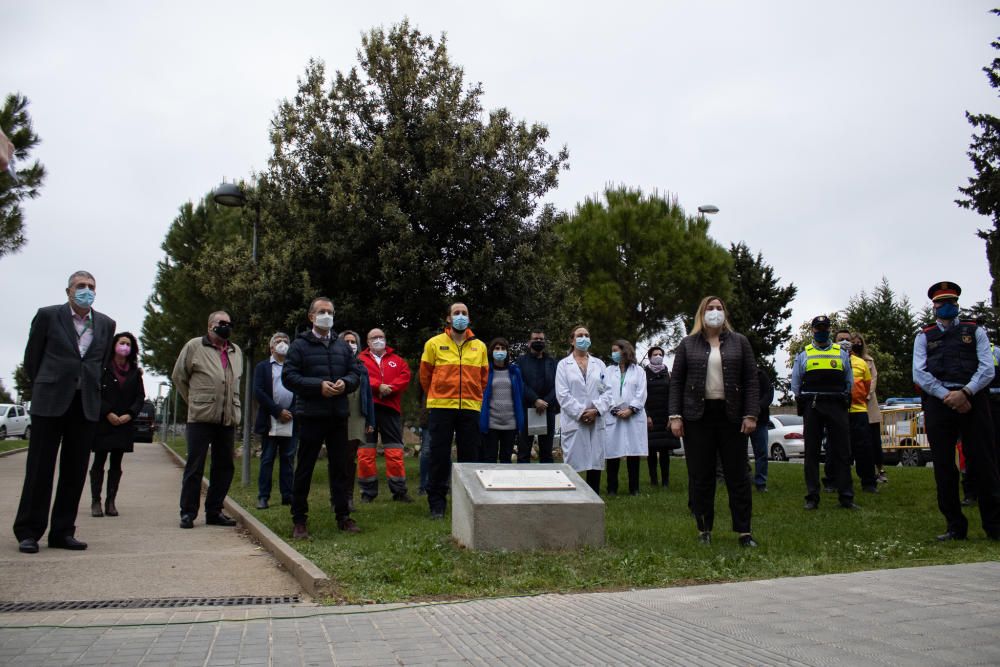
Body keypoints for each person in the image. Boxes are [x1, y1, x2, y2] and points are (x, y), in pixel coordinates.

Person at [14, 271, 116, 553]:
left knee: (75, 470)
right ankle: (29, 531)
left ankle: (62, 531)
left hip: (84, 404)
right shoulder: (48, 316)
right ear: (68, 290)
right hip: (51, 401)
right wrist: (46, 384)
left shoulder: (106, 324)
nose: (86, 291)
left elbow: (101, 362)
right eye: (80, 286)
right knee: (40, 468)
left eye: (91, 287)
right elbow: (32, 359)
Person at [913, 281, 1000, 541]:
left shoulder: (974, 331)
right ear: (934, 306)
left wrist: (966, 392)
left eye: (951, 302)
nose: (946, 306)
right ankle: (955, 526)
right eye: (941, 303)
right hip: (940, 403)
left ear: (957, 304)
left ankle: (994, 525)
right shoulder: (924, 335)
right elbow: (919, 372)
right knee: (943, 465)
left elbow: (987, 367)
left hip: (973, 400)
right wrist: (946, 395)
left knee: (984, 462)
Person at [669, 297, 759, 547]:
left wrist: (751, 413)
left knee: (738, 474)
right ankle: (703, 530)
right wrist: (675, 416)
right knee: (701, 475)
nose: (715, 312)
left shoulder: (739, 342)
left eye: (719, 308)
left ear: (725, 314)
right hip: (698, 417)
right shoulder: (688, 344)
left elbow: (751, 380)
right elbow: (676, 382)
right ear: (701, 314)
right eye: (710, 308)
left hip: (731, 416)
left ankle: (744, 531)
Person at [283, 297, 362, 537]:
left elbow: (355, 373)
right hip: (311, 415)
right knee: (305, 468)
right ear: (311, 317)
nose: (326, 315)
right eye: (322, 311)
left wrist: (345, 383)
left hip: (338, 415)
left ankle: (343, 515)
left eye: (330, 311)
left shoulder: (341, 347)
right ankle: (299, 520)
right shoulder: (299, 346)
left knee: (340, 468)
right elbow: (289, 377)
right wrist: (318, 386)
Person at [172, 311, 243, 529]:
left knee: (224, 466)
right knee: (195, 465)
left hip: (227, 417)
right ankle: (188, 512)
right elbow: (179, 377)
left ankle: (214, 511)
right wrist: (195, 400)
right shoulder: (194, 346)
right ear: (210, 326)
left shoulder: (235, 350)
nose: (226, 326)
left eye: (229, 323)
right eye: (222, 323)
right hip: (201, 417)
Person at [419, 302, 489, 519]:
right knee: (439, 456)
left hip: (469, 407)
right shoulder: (433, 344)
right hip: (441, 407)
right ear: (448, 318)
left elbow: (483, 378)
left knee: (470, 456)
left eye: (464, 313)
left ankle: (468, 501)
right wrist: (438, 394)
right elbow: (425, 377)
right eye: (456, 313)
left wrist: (473, 395)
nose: (460, 316)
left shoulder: (480, 347)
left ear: (469, 318)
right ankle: (437, 505)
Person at [791, 315, 855, 511]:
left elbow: (849, 380)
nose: (821, 331)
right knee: (811, 452)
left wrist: (843, 396)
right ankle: (812, 496)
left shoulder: (841, 353)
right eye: (818, 328)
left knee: (843, 452)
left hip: (836, 404)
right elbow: (795, 384)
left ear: (829, 330)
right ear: (813, 331)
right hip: (813, 404)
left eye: (825, 328)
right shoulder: (804, 355)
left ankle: (846, 497)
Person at [91, 331, 145, 518]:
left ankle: (110, 501)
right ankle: (95, 501)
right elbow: (95, 392)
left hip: (124, 423)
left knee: (116, 462)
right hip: (104, 422)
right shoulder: (103, 368)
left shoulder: (135, 372)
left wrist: (130, 414)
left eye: (128, 344)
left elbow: (140, 396)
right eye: (122, 343)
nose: (125, 347)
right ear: (114, 345)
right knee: (99, 460)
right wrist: (107, 412)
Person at [555, 325, 613, 493]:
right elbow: (563, 394)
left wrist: (596, 410)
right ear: (572, 340)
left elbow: (608, 391)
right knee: (574, 460)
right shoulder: (563, 365)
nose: (584, 338)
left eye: (587, 335)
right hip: (575, 420)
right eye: (580, 335)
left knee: (595, 459)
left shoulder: (599, 364)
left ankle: (594, 495)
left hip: (596, 418)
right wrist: (581, 412)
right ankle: (573, 495)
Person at [358, 328, 413, 502]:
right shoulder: (360, 360)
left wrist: (389, 388)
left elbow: (405, 377)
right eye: (374, 337)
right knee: (366, 452)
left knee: (395, 451)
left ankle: (399, 491)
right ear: (367, 342)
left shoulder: (397, 361)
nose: (378, 340)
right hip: (368, 410)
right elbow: (360, 376)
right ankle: (368, 493)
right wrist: (377, 386)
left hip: (390, 409)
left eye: (381, 336)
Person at [253, 332, 297, 510]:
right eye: (278, 341)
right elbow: (259, 391)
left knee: (288, 459)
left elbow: (301, 390)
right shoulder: (262, 367)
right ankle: (263, 496)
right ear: (271, 347)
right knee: (267, 459)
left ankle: (287, 495)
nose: (282, 343)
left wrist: (291, 412)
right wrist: (278, 411)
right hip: (270, 420)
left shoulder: (294, 367)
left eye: (285, 341)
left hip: (292, 420)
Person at [835, 329, 878, 493]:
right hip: (838, 412)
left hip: (858, 411)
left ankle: (868, 482)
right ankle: (837, 482)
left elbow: (867, 387)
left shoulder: (861, 363)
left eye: (847, 339)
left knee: (864, 449)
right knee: (839, 449)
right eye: (840, 339)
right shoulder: (832, 361)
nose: (844, 342)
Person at [604, 340, 648, 496]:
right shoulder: (608, 371)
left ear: (625, 351)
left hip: (633, 417)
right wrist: (614, 409)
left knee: (633, 452)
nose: (613, 354)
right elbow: (604, 391)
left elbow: (641, 393)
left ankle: (634, 488)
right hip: (614, 416)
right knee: (612, 452)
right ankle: (612, 488)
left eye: (615, 350)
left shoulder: (639, 371)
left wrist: (631, 409)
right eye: (612, 351)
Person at [339, 329, 375, 510]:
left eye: (353, 342)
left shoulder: (362, 367)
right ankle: (336, 497)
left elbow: (368, 396)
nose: (350, 345)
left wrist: (371, 421)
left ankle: (348, 497)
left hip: (357, 416)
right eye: (346, 341)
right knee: (338, 457)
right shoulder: (335, 365)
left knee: (351, 457)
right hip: (338, 415)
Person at [515, 328, 559, 463]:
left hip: (548, 409)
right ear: (529, 342)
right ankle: (522, 482)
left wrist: (545, 402)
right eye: (535, 339)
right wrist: (535, 400)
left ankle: (547, 482)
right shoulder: (521, 361)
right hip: (527, 408)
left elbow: (558, 384)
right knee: (523, 451)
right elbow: (520, 383)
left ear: (545, 342)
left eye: (541, 339)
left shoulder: (553, 362)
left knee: (546, 453)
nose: (538, 341)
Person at [479, 337, 525, 463]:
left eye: (503, 348)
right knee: (489, 459)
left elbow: (520, 394)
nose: (500, 351)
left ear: (507, 352)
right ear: (491, 351)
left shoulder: (515, 372)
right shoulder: (485, 371)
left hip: (510, 423)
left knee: (506, 460)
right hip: (491, 423)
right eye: (497, 348)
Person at [853, 333, 886, 483]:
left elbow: (873, 379)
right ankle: (866, 472)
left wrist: (867, 394)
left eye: (859, 342)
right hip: (854, 404)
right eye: (854, 342)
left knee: (874, 440)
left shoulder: (869, 361)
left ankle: (880, 469)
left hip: (869, 403)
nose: (856, 344)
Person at [644, 346, 679, 487]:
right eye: (655, 354)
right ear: (649, 357)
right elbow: (642, 396)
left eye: (660, 354)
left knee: (665, 450)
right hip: (650, 416)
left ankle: (665, 481)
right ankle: (653, 480)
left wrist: (672, 416)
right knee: (651, 450)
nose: (658, 356)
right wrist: (646, 415)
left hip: (665, 416)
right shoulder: (643, 373)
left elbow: (673, 395)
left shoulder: (668, 374)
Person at [749, 365, 774, 493]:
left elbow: (769, 393)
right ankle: (744, 479)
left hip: (760, 419)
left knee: (761, 453)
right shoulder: (736, 374)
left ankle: (761, 483)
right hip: (741, 419)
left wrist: (757, 408)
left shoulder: (761, 375)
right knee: (737, 453)